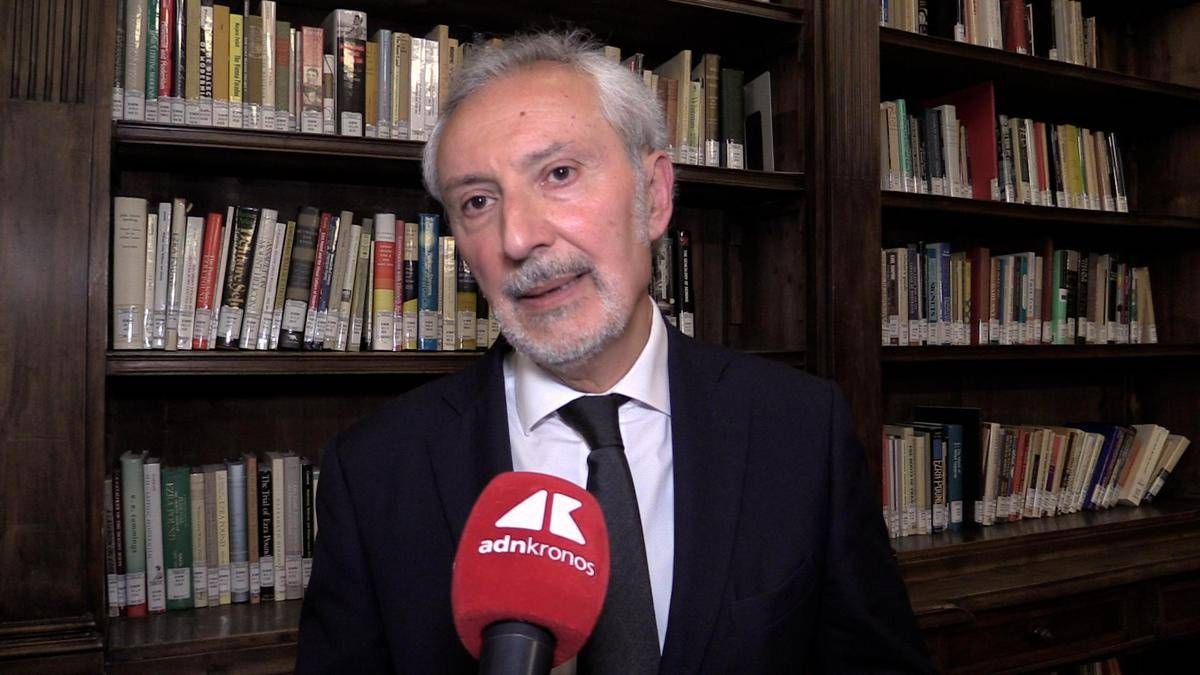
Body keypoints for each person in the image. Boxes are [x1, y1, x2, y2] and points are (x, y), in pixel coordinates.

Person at [297, 30, 932, 674]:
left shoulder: (801, 428)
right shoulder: (375, 471)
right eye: (478, 202)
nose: (518, 238)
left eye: (559, 174)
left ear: (653, 196)